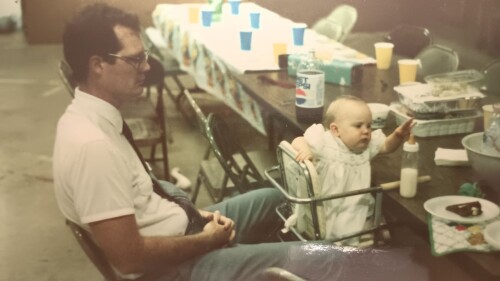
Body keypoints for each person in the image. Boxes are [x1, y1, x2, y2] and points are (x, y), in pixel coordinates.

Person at [53, 3, 430, 281]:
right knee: (322, 256)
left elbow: (143, 197)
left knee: (281, 195)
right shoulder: (92, 146)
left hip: (182, 227)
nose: (147, 67)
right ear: (97, 64)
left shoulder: (94, 117)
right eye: (135, 61)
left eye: (144, 57)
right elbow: (130, 259)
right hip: (175, 269)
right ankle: (412, 269)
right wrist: (205, 240)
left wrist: (197, 216)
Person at [291, 95, 414, 244]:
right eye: (358, 126)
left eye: (369, 126)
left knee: (364, 228)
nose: (366, 131)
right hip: (328, 205)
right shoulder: (326, 143)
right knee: (337, 233)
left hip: (355, 206)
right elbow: (298, 140)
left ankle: (361, 245)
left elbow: (386, 146)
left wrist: (397, 136)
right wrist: (306, 150)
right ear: (336, 130)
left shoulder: (365, 147)